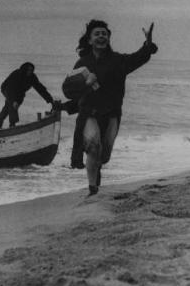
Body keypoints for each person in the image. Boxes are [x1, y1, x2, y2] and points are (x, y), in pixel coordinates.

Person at [66, 19, 158, 196]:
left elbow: (138, 58)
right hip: (89, 112)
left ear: (108, 38)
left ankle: (97, 168)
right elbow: (69, 89)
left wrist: (147, 44)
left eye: (104, 34)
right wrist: (86, 84)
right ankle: (93, 189)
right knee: (93, 146)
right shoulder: (82, 64)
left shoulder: (118, 61)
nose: (101, 36)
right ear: (90, 40)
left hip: (111, 114)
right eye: (97, 34)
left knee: (103, 155)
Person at [0, 62, 54, 129]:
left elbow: (40, 88)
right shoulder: (17, 74)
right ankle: (12, 125)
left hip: (20, 93)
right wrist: (13, 100)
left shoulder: (32, 77)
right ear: (24, 70)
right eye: (28, 70)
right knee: (12, 105)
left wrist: (50, 100)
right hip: (7, 88)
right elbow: (10, 89)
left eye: (31, 70)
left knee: (7, 108)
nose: (30, 72)